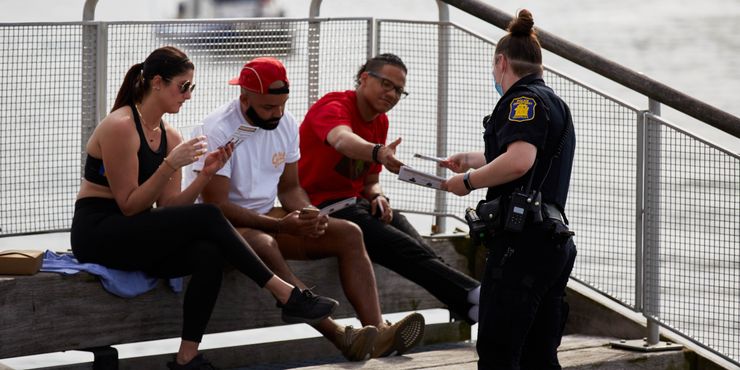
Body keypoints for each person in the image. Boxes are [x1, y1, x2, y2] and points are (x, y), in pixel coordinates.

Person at [70, 46, 338, 370]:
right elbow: (128, 206)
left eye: (191, 87)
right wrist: (170, 165)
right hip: (100, 231)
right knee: (211, 212)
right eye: (182, 87)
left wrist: (204, 175)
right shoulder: (121, 125)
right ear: (156, 82)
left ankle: (187, 357)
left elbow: (168, 206)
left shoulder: (170, 135)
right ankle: (286, 294)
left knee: (209, 251)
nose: (188, 96)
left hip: (137, 231)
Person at [188, 57, 425, 361]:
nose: (277, 114)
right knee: (265, 242)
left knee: (349, 233)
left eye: (282, 105)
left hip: (266, 217)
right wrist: (279, 225)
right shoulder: (218, 129)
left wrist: (311, 213)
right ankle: (340, 336)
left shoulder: (285, 124)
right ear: (244, 97)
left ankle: (377, 330)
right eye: (268, 108)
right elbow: (216, 206)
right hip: (221, 227)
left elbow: (289, 189)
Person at [298, 53, 482, 329]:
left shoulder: (380, 122)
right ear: (364, 78)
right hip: (322, 209)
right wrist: (378, 152)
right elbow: (342, 140)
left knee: (415, 241)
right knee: (404, 248)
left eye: (399, 90)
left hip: (357, 205)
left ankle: (469, 307)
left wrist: (378, 196)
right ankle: (480, 296)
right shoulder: (333, 105)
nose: (392, 94)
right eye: (386, 84)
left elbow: (371, 179)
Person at [440, 10, 577, 370]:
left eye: (493, 66)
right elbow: (519, 155)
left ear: (501, 62)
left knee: (499, 353)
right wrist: (470, 160)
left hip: (524, 246)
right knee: (539, 357)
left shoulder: (522, 102)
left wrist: (468, 183)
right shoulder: (551, 101)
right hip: (552, 242)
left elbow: (519, 160)